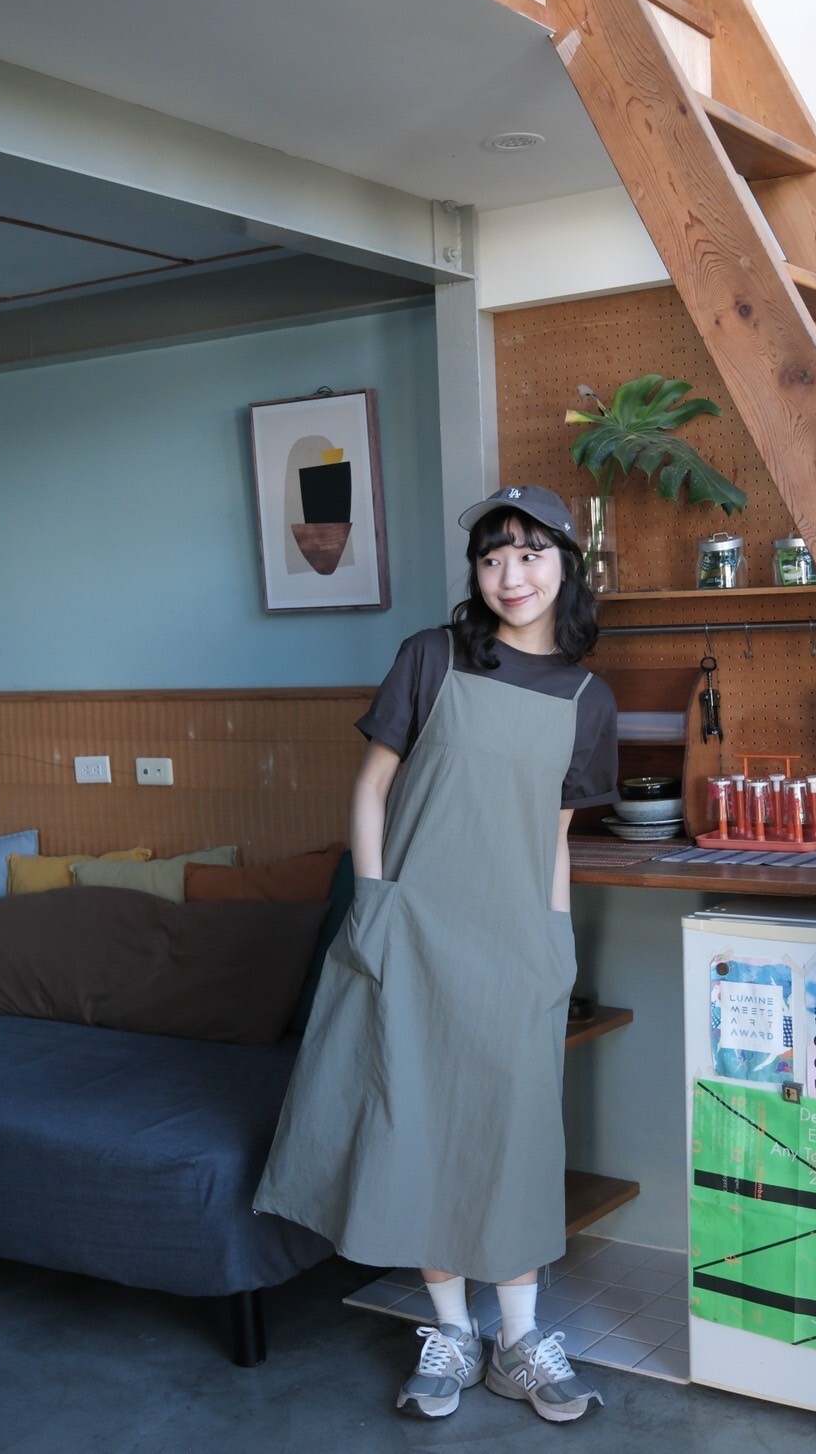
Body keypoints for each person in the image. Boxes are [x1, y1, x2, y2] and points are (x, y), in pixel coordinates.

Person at [254, 484, 618, 1423]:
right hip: (411, 933)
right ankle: (452, 1334)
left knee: (515, 1134)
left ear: (567, 566)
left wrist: (556, 943)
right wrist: (373, 902)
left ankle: (519, 1343)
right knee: (417, 1124)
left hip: (515, 943)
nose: (511, 575)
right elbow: (372, 788)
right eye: (493, 558)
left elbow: (556, 837)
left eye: (531, 554)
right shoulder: (433, 656)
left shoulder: (588, 698)